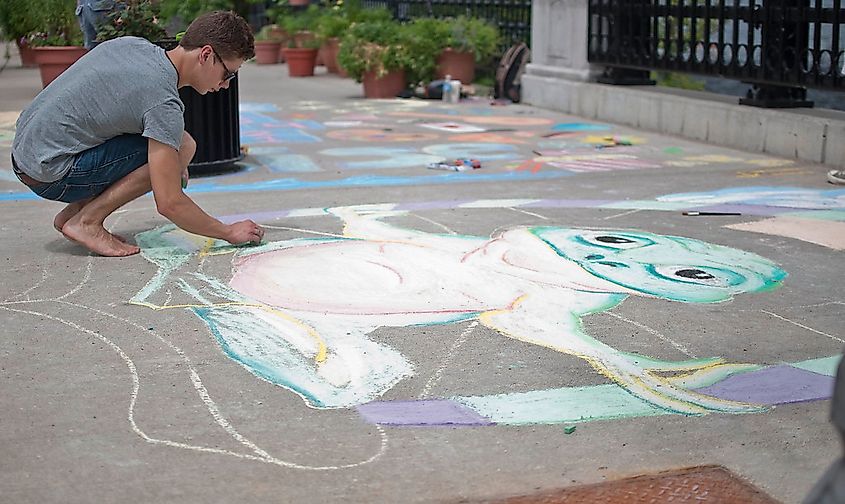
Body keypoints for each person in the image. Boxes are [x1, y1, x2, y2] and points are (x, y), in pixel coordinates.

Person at [11, 10, 264, 257]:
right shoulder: (163, 103)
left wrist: (172, 162)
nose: (226, 84)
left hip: (26, 153)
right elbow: (169, 203)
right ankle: (87, 222)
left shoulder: (134, 45)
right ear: (206, 54)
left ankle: (74, 214)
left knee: (180, 143)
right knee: (181, 149)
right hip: (49, 173)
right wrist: (228, 231)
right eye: (228, 73)